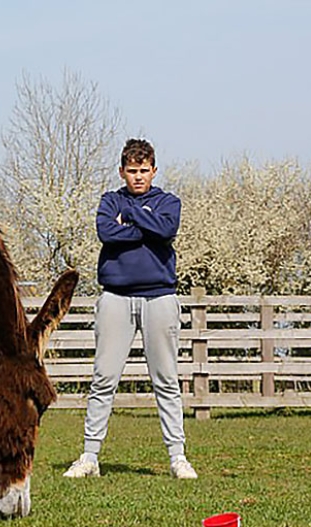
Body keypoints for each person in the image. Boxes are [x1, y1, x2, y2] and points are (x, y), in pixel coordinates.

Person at [63, 138, 198, 480]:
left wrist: (134, 218)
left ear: (153, 170)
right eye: (132, 171)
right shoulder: (110, 201)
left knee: (166, 380)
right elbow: (106, 232)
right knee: (103, 378)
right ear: (121, 172)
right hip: (115, 298)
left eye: (144, 171)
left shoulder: (168, 202)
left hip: (160, 298)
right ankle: (89, 456)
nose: (138, 177)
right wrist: (145, 225)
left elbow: (167, 229)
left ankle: (177, 457)